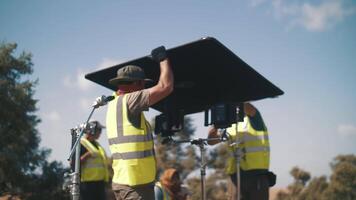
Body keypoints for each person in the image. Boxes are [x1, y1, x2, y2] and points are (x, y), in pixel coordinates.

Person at [106, 46, 174, 200]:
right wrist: (163, 59)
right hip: (134, 185)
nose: (144, 89)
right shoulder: (130, 100)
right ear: (134, 84)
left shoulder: (116, 103)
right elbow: (165, 86)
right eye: (142, 84)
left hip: (126, 181)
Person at [208, 103, 274, 200]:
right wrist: (216, 123)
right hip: (235, 176)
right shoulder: (230, 125)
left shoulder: (254, 119)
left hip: (256, 176)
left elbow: (249, 108)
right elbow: (211, 141)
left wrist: (233, 99)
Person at [80, 120, 109, 200]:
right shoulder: (81, 143)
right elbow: (73, 163)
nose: (100, 133)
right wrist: (87, 155)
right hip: (87, 184)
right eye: (99, 130)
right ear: (91, 131)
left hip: (99, 183)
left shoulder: (97, 145)